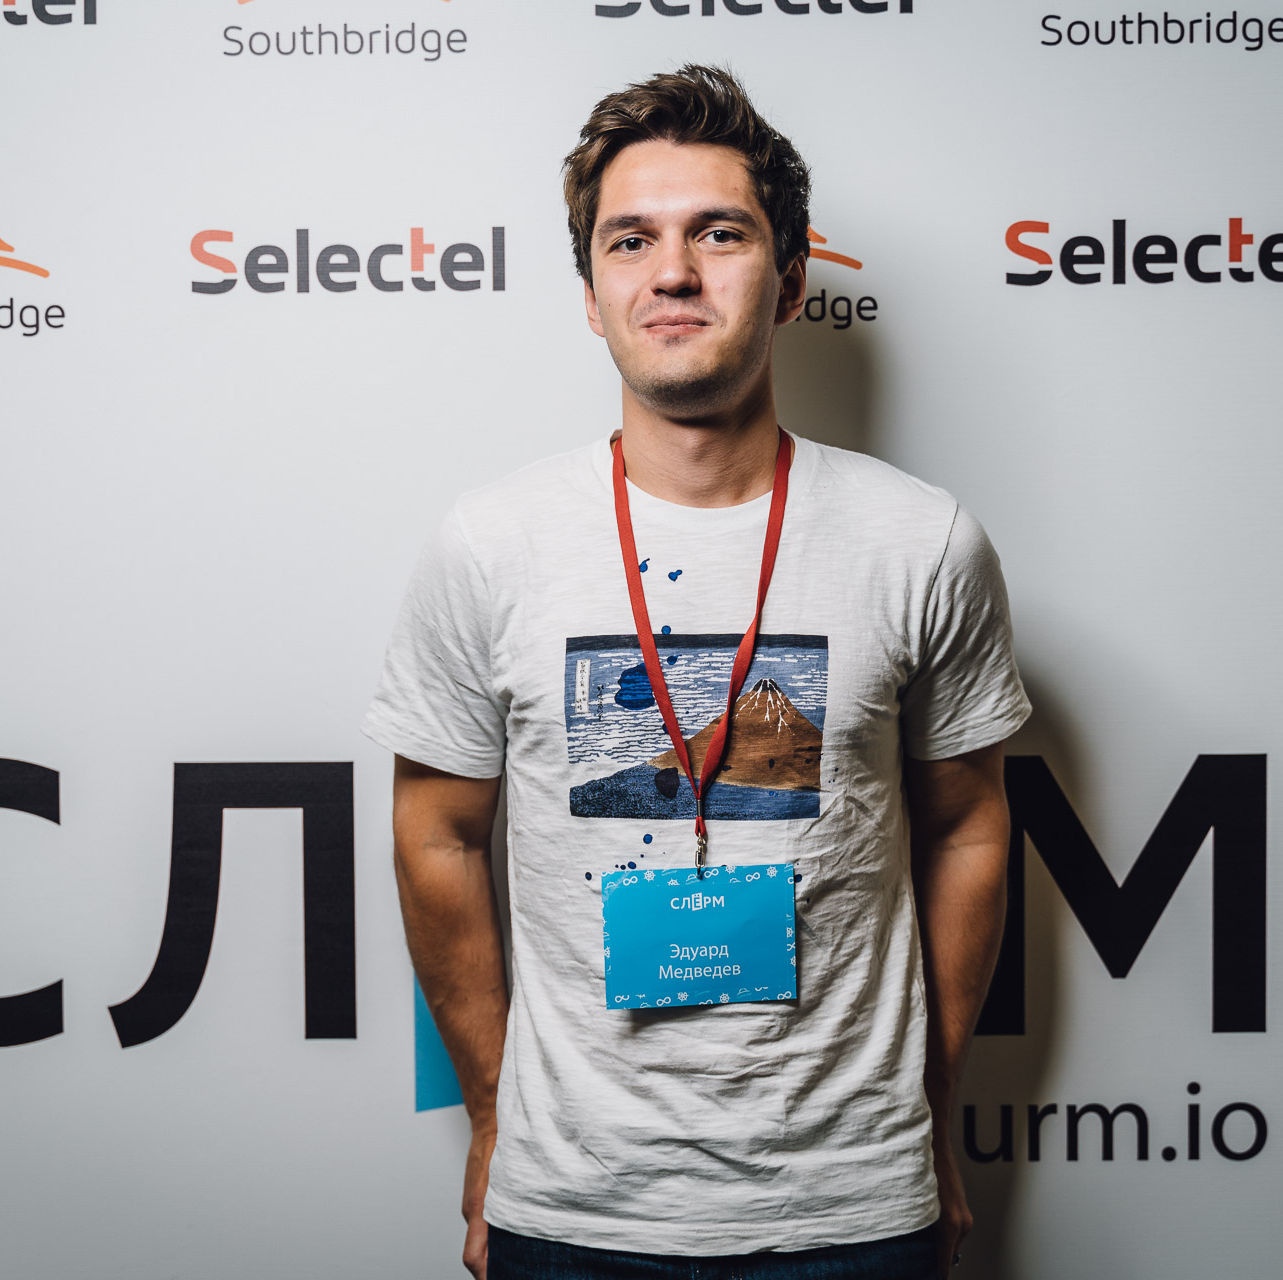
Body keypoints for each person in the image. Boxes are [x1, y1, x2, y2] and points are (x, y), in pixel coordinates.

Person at [363, 64, 1030, 1280]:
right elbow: (436, 832)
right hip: (573, 1210)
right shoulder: (491, 543)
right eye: (632, 240)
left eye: (718, 233)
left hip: (852, 1208)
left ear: (792, 280)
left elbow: (970, 827)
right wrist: (495, 1121)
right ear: (593, 294)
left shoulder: (920, 540)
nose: (672, 271)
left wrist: (926, 1111)